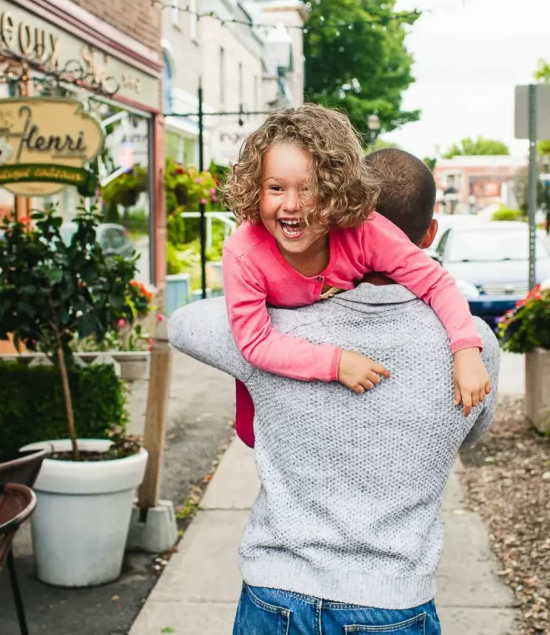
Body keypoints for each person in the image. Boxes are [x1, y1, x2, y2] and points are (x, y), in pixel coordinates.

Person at [169, 148, 501, 635]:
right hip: (393, 600)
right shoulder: (474, 346)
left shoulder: (274, 331)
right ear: (429, 235)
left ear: (334, 211)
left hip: (275, 595)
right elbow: (468, 435)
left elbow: (182, 324)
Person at [220, 106, 491, 448]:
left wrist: (466, 351)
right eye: (275, 188)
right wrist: (335, 363)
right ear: (255, 190)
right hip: (276, 368)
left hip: (350, 359)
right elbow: (255, 341)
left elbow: (435, 282)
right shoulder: (244, 253)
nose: (291, 204)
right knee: (252, 435)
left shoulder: (364, 232)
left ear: (336, 189)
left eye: (308, 189)